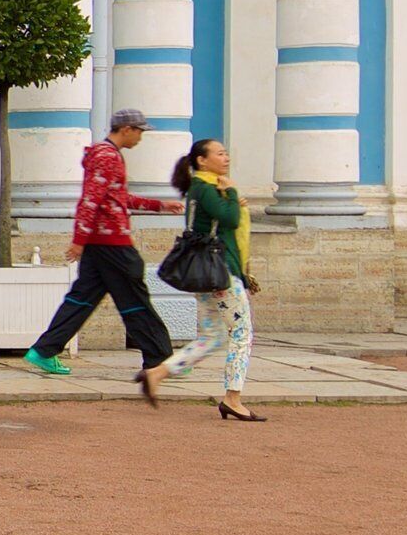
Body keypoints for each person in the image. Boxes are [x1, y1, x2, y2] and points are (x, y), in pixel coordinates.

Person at [22, 107, 178, 398]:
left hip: (99, 243)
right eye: (140, 131)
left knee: (81, 299)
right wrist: (78, 240)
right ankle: (160, 359)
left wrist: (159, 205)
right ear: (126, 129)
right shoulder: (107, 157)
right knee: (135, 300)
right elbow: (90, 201)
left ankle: (44, 350)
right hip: (111, 243)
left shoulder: (107, 156)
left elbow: (116, 198)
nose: (141, 137)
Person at [168, 137, 265, 422]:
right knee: (242, 333)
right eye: (220, 153)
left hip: (211, 271)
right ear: (202, 160)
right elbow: (231, 220)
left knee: (212, 335)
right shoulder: (208, 188)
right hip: (221, 272)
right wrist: (233, 194)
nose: (226, 158)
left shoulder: (203, 188)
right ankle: (233, 397)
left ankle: (158, 372)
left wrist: (233, 199)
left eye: (226, 153)